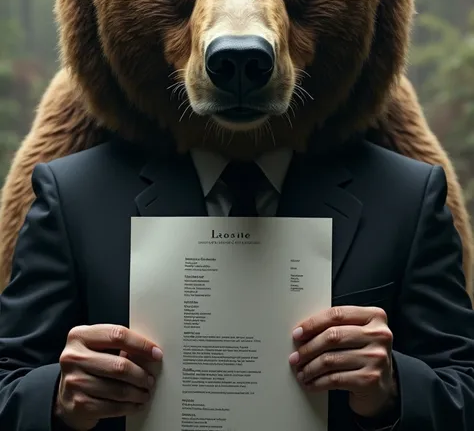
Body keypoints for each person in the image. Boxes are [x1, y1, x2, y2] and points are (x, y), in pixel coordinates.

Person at [0, 136, 473, 430]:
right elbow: (8, 381)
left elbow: (464, 388)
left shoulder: (408, 194)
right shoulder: (73, 192)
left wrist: (393, 389)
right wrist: (58, 399)